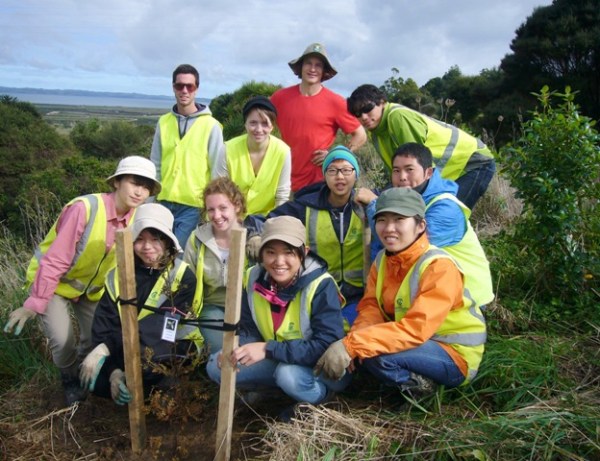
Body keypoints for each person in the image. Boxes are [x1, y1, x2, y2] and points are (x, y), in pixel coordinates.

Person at [3, 156, 161, 406]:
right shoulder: (85, 208)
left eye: (146, 187)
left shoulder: (136, 220)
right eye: (134, 183)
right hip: (55, 285)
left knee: (95, 339)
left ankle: (87, 377)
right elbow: (55, 260)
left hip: (92, 291)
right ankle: (69, 380)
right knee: (63, 339)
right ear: (117, 182)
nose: (140, 191)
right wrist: (35, 303)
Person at [315, 188, 487, 397]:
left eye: (399, 220)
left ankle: (422, 390)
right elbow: (371, 307)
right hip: (416, 343)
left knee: (375, 355)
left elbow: (416, 328)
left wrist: (352, 345)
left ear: (420, 226)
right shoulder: (383, 260)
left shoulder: (438, 267)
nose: (389, 228)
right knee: (364, 346)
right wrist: (355, 339)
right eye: (382, 220)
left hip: (454, 354)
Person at [206, 216, 351, 409]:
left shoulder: (321, 285)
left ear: (304, 253)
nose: (279, 261)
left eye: (288, 252)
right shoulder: (252, 278)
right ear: (261, 253)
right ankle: (274, 394)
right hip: (279, 357)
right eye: (271, 252)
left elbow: (325, 346)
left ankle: (321, 402)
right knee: (217, 365)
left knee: (288, 375)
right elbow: (249, 329)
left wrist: (268, 349)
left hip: (323, 367)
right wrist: (239, 349)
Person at [79, 203, 197, 405]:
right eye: (140, 239)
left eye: (155, 239)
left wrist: (106, 348)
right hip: (124, 347)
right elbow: (103, 327)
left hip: (169, 345)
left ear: (168, 242)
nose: (147, 247)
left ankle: (165, 388)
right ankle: (125, 382)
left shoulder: (182, 275)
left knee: (146, 366)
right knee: (92, 378)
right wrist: (114, 372)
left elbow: (163, 327)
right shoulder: (118, 276)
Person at [355, 143, 494, 308]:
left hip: (463, 300)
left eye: (409, 169)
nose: (402, 177)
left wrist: (374, 205)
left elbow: (406, 245)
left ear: (428, 173)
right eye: (396, 170)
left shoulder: (444, 208)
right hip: (431, 293)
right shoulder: (408, 199)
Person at [347, 84, 496, 209]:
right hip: (449, 171)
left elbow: (417, 172)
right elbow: (401, 176)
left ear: (382, 102)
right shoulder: (377, 134)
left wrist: (380, 200)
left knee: (443, 216)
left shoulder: (397, 117)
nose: (364, 117)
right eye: (358, 114)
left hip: (473, 163)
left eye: (367, 108)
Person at [267, 146, 367, 326]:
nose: (340, 176)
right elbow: (269, 220)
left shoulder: (366, 205)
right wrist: (256, 235)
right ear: (324, 175)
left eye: (346, 170)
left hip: (359, 295)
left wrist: (374, 203)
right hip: (317, 291)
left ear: (356, 174)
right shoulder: (305, 207)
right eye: (332, 170)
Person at [271, 43, 367, 192]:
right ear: (301, 67)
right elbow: (262, 123)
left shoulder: (336, 102)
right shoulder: (280, 98)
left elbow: (360, 135)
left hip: (320, 184)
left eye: (318, 65)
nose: (312, 69)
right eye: (308, 63)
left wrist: (334, 156)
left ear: (324, 71)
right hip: (283, 181)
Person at [150, 63, 227, 248]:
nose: (184, 90)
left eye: (189, 86)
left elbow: (217, 172)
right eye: (179, 86)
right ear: (173, 87)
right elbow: (155, 164)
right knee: (157, 254)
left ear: (196, 89)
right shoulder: (163, 122)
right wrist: (149, 202)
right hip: (163, 203)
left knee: (178, 255)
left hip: (193, 206)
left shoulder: (211, 126)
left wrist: (211, 208)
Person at [182, 177, 261, 353]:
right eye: (211, 209)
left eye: (223, 208)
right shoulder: (197, 238)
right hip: (212, 307)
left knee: (246, 352)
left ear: (237, 206)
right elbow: (187, 279)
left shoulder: (253, 239)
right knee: (224, 352)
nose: (217, 216)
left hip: (249, 309)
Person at [224, 96, 291, 216]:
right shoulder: (227, 149)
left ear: (272, 126)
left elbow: (282, 196)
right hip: (230, 216)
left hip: (267, 219)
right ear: (245, 124)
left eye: (265, 123)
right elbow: (220, 191)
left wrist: (277, 222)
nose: (259, 129)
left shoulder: (283, 151)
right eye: (253, 123)